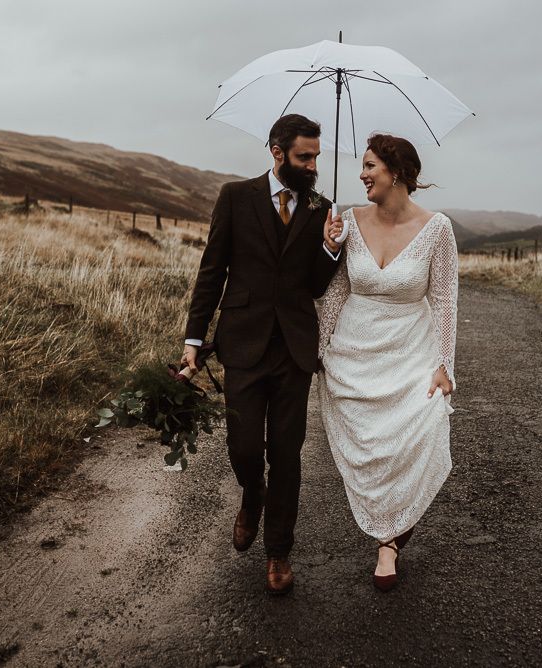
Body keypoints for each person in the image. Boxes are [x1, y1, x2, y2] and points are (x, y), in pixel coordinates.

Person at [182, 114, 344, 595]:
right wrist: (194, 341)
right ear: (277, 151)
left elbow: (315, 284)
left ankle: (278, 551)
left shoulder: (322, 206)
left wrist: (331, 250)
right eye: (304, 157)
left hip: (294, 347)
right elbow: (212, 270)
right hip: (244, 343)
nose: (313, 165)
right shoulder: (236, 197)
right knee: (246, 447)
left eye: (316, 156)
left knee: (288, 455)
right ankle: (251, 494)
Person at [317, 133, 458, 591]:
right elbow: (337, 289)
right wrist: (321, 348)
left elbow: (444, 301)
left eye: (370, 166)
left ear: (396, 172)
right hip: (354, 352)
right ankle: (384, 529)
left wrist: (445, 364)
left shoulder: (438, 229)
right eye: (362, 166)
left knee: (415, 432)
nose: (362, 174)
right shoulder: (348, 221)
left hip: (410, 350)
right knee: (370, 449)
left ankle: (389, 541)